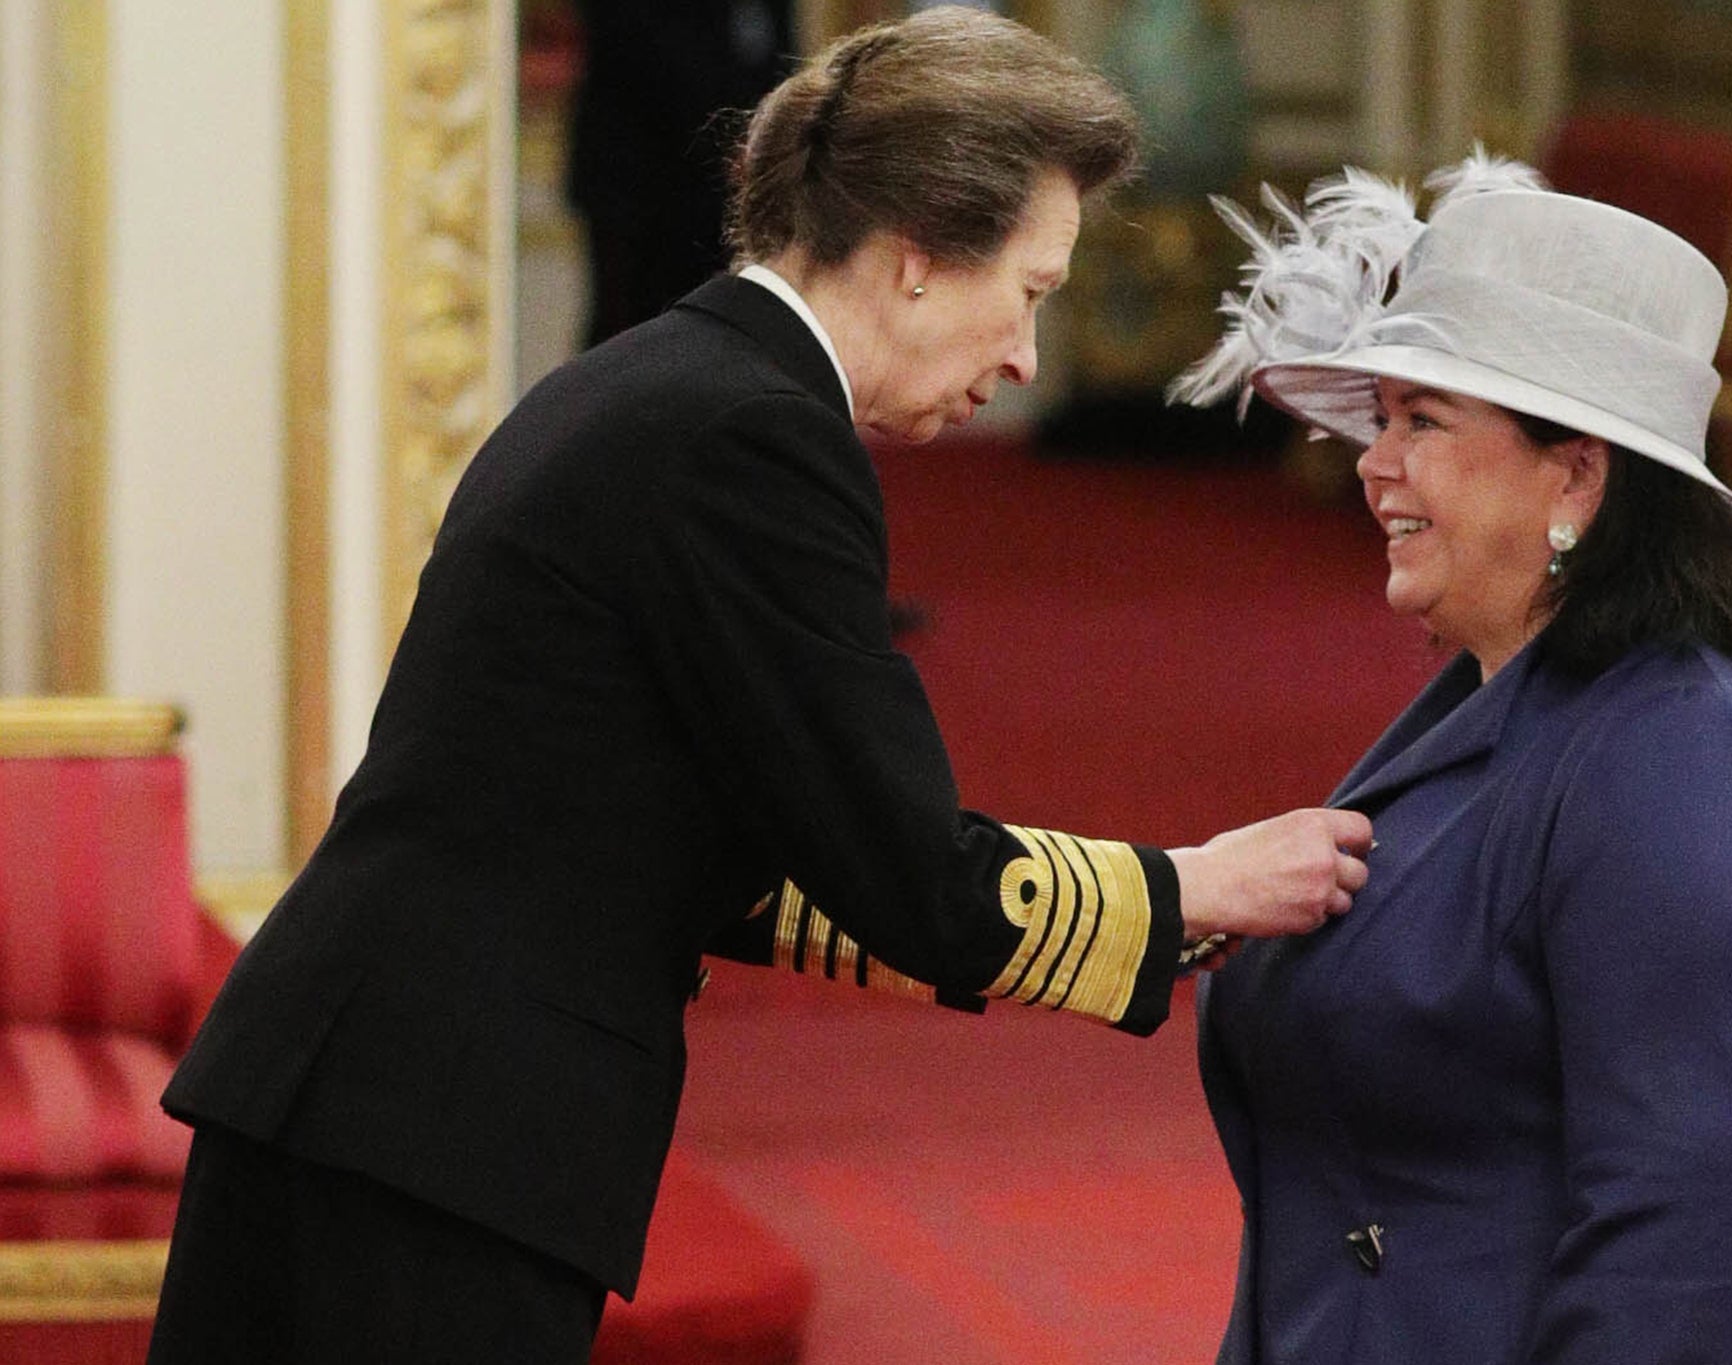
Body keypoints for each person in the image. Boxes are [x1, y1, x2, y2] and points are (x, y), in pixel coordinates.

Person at [145, 11, 1373, 1364]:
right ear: (914, 263)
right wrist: (1192, 887)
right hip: (437, 1135)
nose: (1027, 356)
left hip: (368, 1100)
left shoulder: (662, 380)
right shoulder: (756, 438)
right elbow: (903, 871)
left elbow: (734, 848)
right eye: (1029, 292)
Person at [1174, 156, 1732, 1364]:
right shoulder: (1495, 705)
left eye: (1421, 422)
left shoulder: (1680, 763)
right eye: (1379, 420)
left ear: (1574, 475)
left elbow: (1666, 1232)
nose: (1373, 465)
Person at [567, 0, 797, 346]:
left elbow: (778, 51)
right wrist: (731, 139)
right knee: (633, 337)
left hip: (735, 183)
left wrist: (776, 135)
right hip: (639, 184)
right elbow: (636, 46)